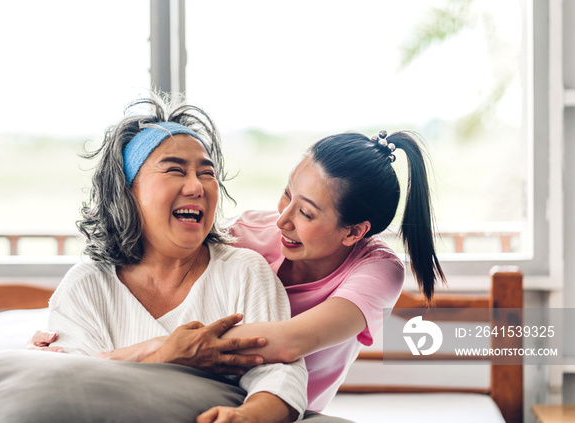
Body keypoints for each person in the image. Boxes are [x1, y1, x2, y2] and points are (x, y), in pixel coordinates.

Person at [33, 124, 444, 413]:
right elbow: (168, 251)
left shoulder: (377, 270)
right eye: (286, 196)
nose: (281, 220)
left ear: (354, 232)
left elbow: (286, 346)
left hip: (281, 408)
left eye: (304, 213)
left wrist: (146, 353)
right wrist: (57, 349)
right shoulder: (248, 235)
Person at [43, 94, 313, 423]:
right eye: (175, 170)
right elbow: (70, 393)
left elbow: (280, 375)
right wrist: (165, 357)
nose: (196, 186)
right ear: (126, 190)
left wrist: (249, 417)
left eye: (206, 173)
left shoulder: (244, 271)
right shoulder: (86, 286)